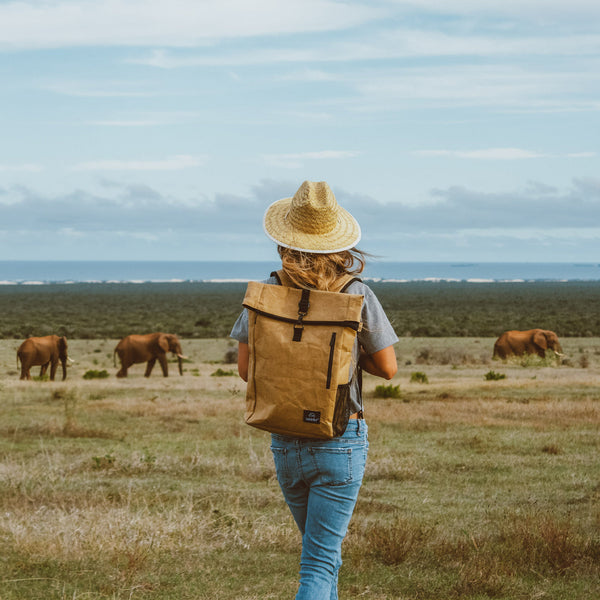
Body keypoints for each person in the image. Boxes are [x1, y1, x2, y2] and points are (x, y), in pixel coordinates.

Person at [230, 180, 398, 599]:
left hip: (285, 439)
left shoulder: (265, 293)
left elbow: (246, 370)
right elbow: (387, 368)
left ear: (284, 240)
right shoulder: (356, 293)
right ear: (337, 243)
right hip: (340, 437)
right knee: (319, 564)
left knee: (322, 556)